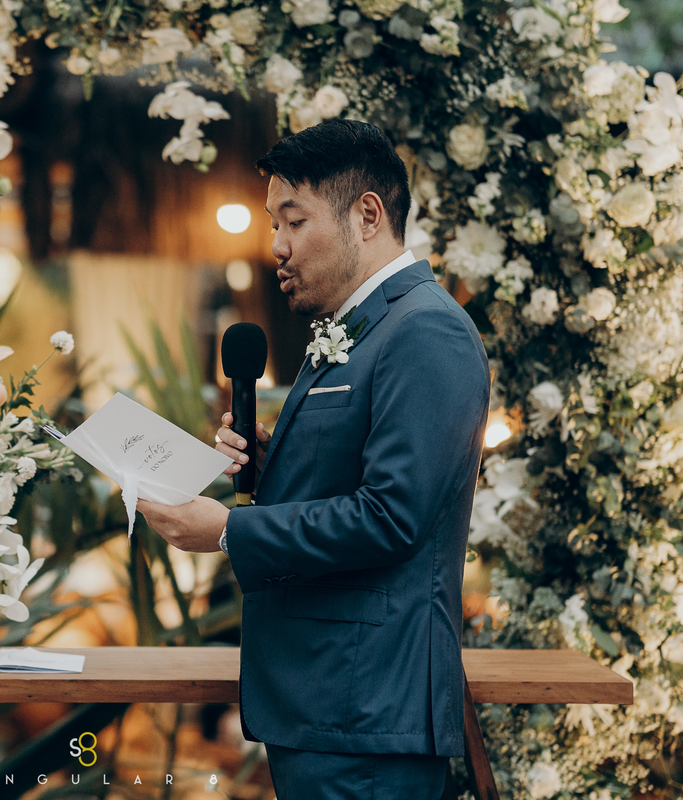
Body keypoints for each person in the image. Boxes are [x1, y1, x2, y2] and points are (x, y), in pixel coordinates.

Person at [136, 119, 491, 799]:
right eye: (275, 224)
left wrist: (228, 530)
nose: (277, 246)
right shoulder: (359, 329)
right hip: (325, 705)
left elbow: (393, 516)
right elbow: (355, 482)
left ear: (366, 215)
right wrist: (276, 466)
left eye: (293, 222)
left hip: (367, 711)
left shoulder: (426, 331)